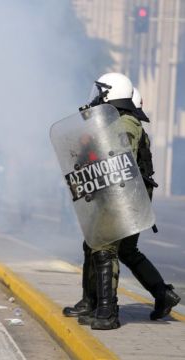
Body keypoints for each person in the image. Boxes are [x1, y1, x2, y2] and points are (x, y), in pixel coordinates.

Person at [62, 74, 181, 329]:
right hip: (122, 195)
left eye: (101, 92)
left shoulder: (127, 123)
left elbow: (118, 154)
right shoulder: (116, 121)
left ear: (111, 94)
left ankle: (106, 311)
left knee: (104, 248)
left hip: (124, 197)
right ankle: (161, 294)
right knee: (121, 249)